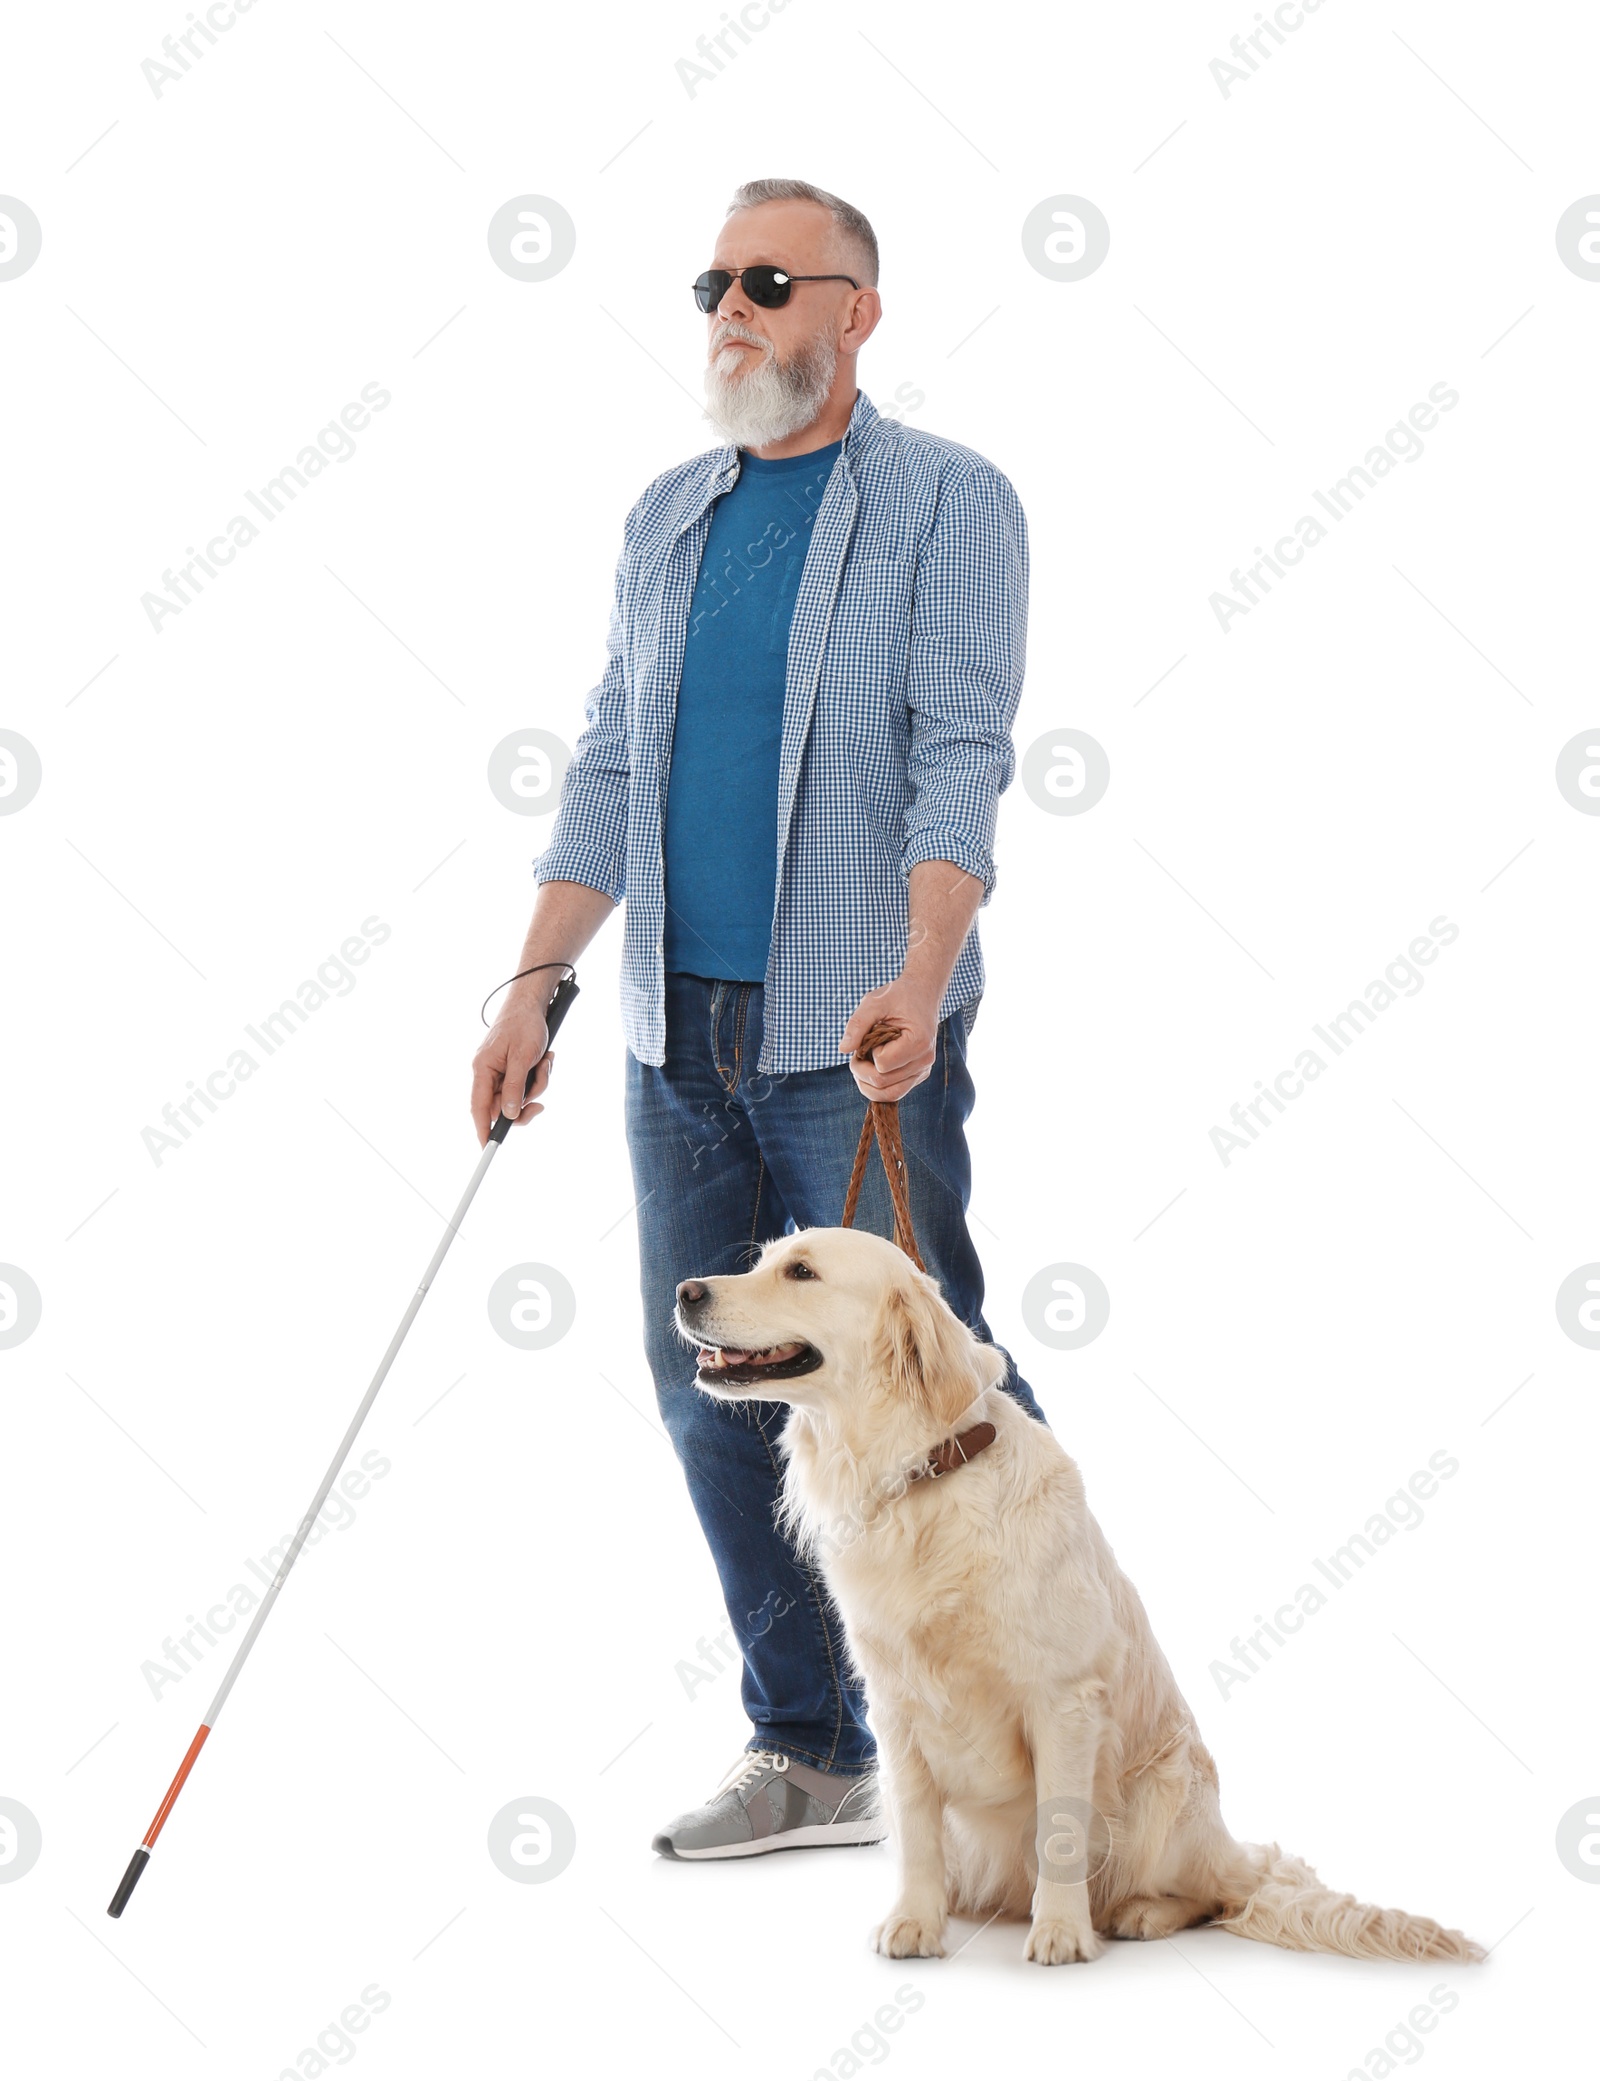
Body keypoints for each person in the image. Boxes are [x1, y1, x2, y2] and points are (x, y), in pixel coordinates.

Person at [470, 176, 1050, 1862]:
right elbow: (605, 761)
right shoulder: (667, 514)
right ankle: (815, 1745)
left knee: (934, 1385)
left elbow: (964, 751)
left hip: (856, 1034)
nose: (734, 305)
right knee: (708, 1369)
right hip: (673, 1030)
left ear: (855, 312)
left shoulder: (951, 502)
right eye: (714, 279)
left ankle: (1053, 1748)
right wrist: (533, 985)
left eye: (772, 280)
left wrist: (927, 978)